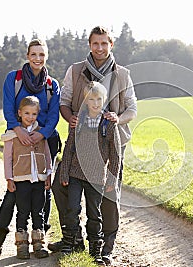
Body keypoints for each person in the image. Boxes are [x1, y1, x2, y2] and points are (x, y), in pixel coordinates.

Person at [50, 26, 137, 265]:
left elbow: (132, 108)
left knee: (108, 195)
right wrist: (71, 119)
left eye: (104, 44)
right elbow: (64, 102)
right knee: (60, 185)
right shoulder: (76, 70)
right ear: (89, 45)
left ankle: (104, 248)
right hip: (79, 143)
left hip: (111, 143)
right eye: (95, 44)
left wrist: (118, 119)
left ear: (111, 45)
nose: (99, 48)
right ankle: (74, 238)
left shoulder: (123, 74)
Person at [0, 38, 61, 257]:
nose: (38, 58)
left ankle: (40, 238)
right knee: (14, 192)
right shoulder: (13, 79)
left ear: (46, 57)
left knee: (44, 190)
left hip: (44, 138)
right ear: (27, 55)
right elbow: (7, 106)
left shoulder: (52, 85)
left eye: (42, 54)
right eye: (34, 54)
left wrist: (41, 134)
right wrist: (18, 130)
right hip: (19, 138)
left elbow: (52, 115)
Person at [59, 81, 121, 265]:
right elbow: (69, 148)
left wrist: (112, 177)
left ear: (104, 100)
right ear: (86, 101)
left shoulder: (109, 124)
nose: (95, 103)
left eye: (99, 99)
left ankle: (95, 249)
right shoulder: (78, 121)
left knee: (94, 214)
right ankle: (70, 243)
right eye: (91, 99)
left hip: (96, 178)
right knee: (72, 209)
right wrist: (64, 173)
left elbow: (115, 154)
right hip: (75, 174)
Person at [1, 96, 51, 259]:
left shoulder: (41, 132)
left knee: (38, 212)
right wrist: (10, 178)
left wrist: (48, 174)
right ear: (20, 113)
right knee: (22, 212)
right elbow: (8, 158)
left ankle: (38, 244)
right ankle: (22, 245)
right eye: (27, 113)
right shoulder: (11, 135)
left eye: (34, 114)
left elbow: (47, 154)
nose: (30, 117)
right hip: (21, 180)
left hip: (39, 180)